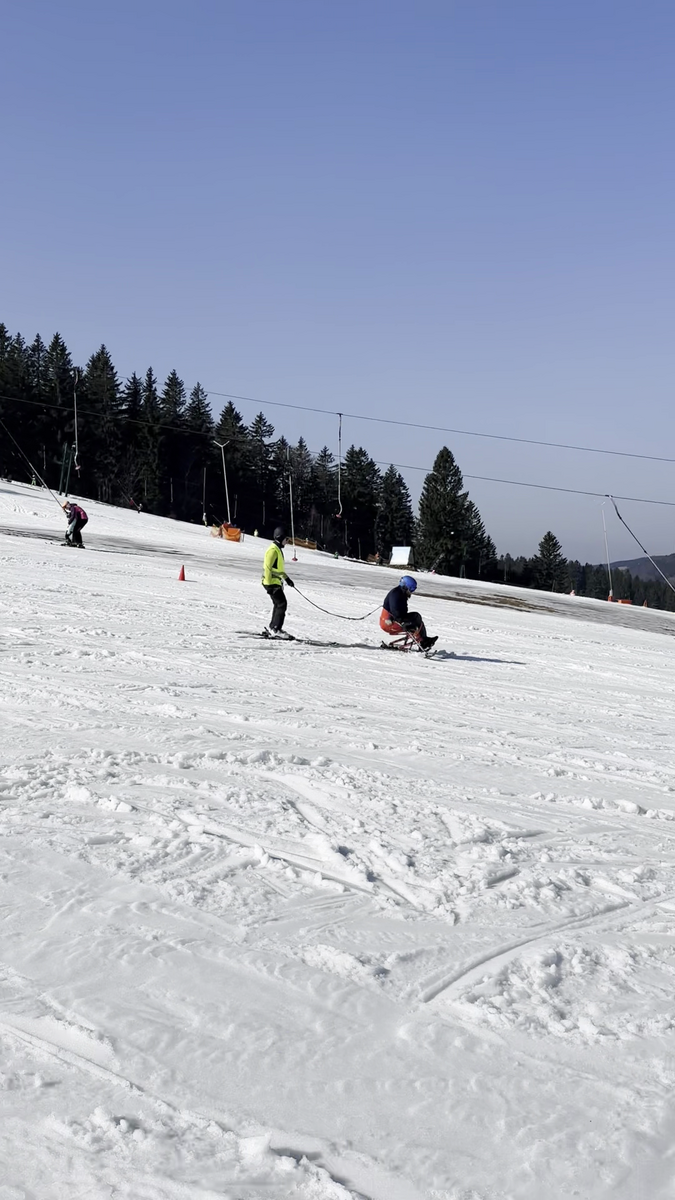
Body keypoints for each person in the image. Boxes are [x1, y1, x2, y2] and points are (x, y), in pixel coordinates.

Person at [380, 575, 437, 651]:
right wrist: (402, 622)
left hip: (396, 619)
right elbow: (395, 610)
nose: (412, 591)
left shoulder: (401, 593)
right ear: (405, 587)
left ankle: (424, 641)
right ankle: (423, 642)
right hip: (389, 623)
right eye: (411, 589)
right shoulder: (395, 594)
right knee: (416, 620)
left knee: (417, 618)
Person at [261, 526, 295, 638]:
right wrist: (269, 584)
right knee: (281, 604)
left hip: (275, 582)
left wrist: (286, 579)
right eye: (286, 539)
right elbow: (268, 568)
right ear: (280, 538)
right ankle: (276, 629)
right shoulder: (273, 550)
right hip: (271, 583)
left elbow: (278, 569)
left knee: (278, 604)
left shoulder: (277, 549)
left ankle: (273, 627)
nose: (287, 541)